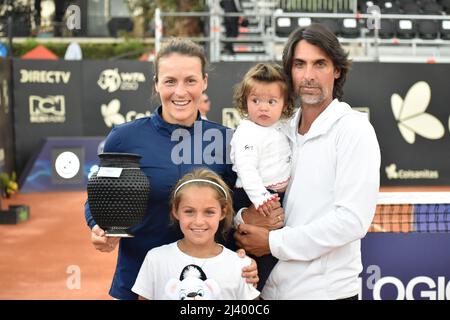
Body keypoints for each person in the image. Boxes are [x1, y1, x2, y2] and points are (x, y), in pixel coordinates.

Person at [85, 38, 258, 300]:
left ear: (204, 83)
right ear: (156, 83)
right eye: (170, 81)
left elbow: (240, 208)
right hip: (140, 281)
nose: (180, 92)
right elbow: (100, 198)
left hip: (210, 287)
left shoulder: (229, 141)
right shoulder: (124, 138)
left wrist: (245, 254)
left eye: (190, 80)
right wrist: (99, 227)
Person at [234, 23, 381, 299]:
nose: (309, 75)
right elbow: (254, 196)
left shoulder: (354, 130)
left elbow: (351, 221)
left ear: (337, 70)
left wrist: (273, 242)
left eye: (320, 64)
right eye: (300, 64)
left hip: (326, 293)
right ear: (289, 70)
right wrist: (243, 218)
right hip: (269, 290)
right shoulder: (280, 128)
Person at [132, 168, 260, 300]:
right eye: (189, 211)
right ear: (176, 211)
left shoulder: (240, 266)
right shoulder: (155, 259)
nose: (199, 221)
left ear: (222, 212)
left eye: (209, 212)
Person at [230, 63, 295, 290]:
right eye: (255, 100)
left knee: (269, 257)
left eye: (271, 102)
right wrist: (260, 199)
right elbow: (247, 170)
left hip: (275, 196)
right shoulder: (247, 131)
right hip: (253, 197)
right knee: (255, 260)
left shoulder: (283, 127)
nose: (263, 108)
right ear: (245, 101)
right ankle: (247, 295)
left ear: (284, 104)